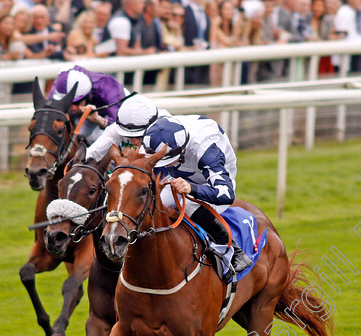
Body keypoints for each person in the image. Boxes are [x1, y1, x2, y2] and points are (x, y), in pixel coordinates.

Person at [141, 115, 254, 274]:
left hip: (214, 179)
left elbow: (226, 193)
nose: (165, 166)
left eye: (168, 161)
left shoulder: (206, 151)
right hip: (183, 173)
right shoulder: (156, 135)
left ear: (183, 150)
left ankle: (234, 250)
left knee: (189, 203)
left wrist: (192, 189)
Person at [48, 65, 128, 141]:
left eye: (77, 102)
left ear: (87, 94)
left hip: (115, 112)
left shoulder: (109, 88)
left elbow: (120, 127)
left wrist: (100, 121)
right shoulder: (57, 90)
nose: (73, 107)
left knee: (98, 138)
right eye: (68, 102)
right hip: (85, 114)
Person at [85, 93, 171, 162]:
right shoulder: (118, 127)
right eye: (129, 137)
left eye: (139, 136)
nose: (134, 142)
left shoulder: (167, 130)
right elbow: (92, 153)